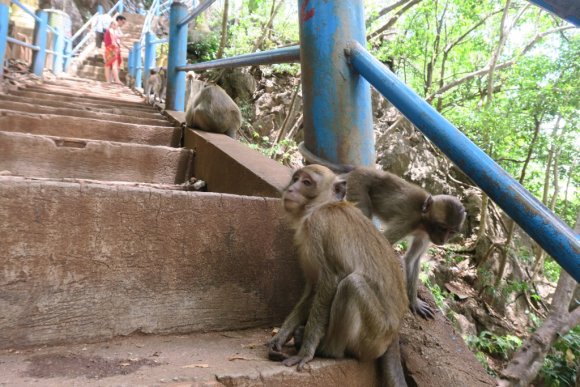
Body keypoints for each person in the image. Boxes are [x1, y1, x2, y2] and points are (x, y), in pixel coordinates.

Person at [103, 15, 128, 84]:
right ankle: (116, 80)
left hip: (109, 48)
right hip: (112, 48)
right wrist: (115, 44)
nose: (115, 26)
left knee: (108, 65)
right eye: (114, 24)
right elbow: (113, 38)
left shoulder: (110, 30)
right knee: (114, 64)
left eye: (116, 25)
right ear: (111, 24)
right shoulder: (111, 30)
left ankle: (109, 80)